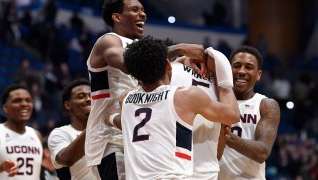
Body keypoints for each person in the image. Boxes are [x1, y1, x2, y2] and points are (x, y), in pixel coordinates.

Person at [85, 0, 205, 179]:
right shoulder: (109, 40)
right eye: (134, 10)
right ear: (117, 17)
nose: (143, 14)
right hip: (112, 139)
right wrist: (180, 49)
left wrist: (180, 62)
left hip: (139, 137)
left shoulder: (141, 47)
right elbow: (132, 63)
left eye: (143, 10)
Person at [118, 35, 239, 179]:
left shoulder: (126, 100)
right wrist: (224, 85)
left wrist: (179, 60)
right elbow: (232, 114)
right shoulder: (184, 96)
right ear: (168, 65)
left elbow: (140, 80)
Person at [218, 46, 281, 179]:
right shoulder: (214, 100)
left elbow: (262, 152)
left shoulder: (266, 105)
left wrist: (226, 136)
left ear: (258, 75)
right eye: (236, 66)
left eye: (248, 67)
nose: (241, 71)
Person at [48, 78, 96, 179]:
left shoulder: (107, 128)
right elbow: (65, 159)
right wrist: (94, 125)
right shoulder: (61, 133)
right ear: (67, 105)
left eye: (91, 95)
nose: (88, 99)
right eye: (81, 96)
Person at [0, 84, 43, 179]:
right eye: (17, 101)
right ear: (5, 108)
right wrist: (1, 166)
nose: (24, 104)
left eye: (28, 100)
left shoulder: (36, 134)